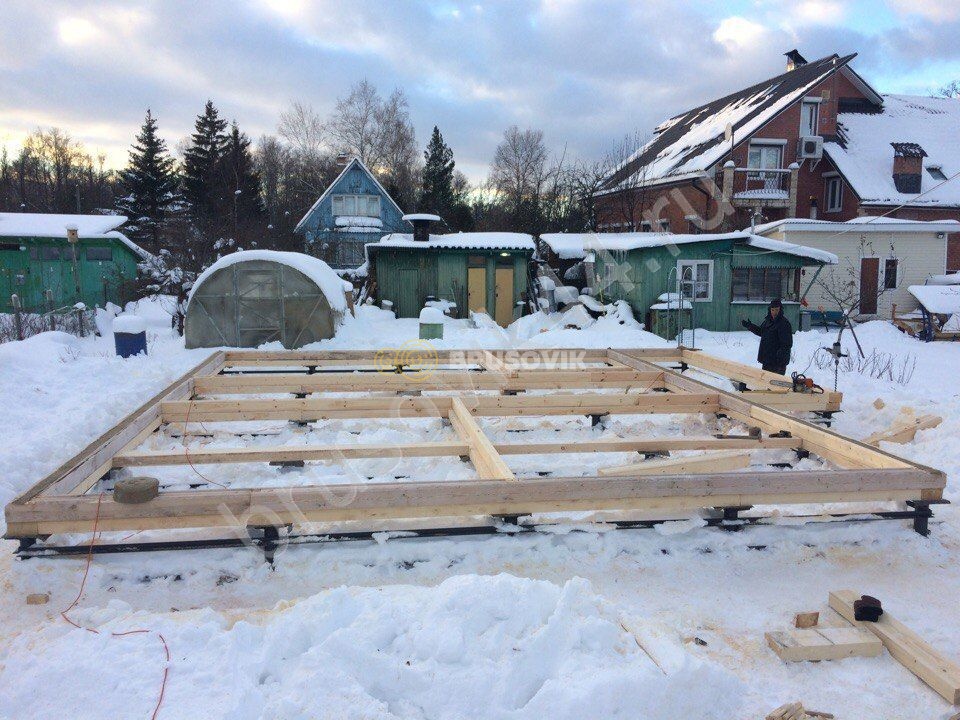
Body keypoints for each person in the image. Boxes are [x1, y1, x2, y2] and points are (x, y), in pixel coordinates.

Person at [741, 298, 793, 375]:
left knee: (775, 382)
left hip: (777, 363)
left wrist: (779, 357)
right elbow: (761, 332)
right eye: (772, 310)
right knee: (765, 381)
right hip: (767, 360)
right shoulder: (767, 321)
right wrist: (750, 326)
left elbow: (787, 343)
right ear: (770, 310)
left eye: (777, 310)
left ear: (780, 310)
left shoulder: (784, 323)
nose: (774, 312)